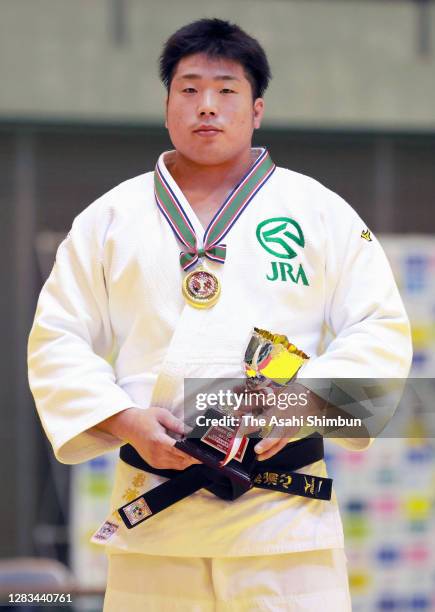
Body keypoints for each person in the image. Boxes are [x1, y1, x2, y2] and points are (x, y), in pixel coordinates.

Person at [27, 18, 412, 611]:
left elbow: (380, 326)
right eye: (189, 89)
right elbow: (57, 336)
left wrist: (310, 399)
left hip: (285, 520)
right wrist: (125, 420)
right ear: (166, 106)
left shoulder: (317, 209)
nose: (207, 105)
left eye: (227, 90)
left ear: (256, 109)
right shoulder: (109, 217)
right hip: (155, 512)